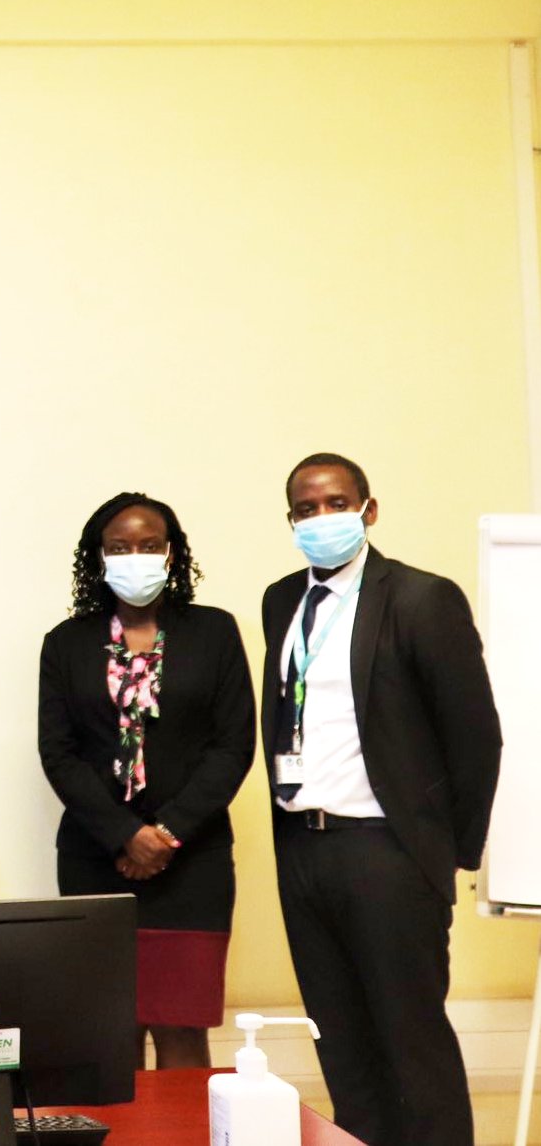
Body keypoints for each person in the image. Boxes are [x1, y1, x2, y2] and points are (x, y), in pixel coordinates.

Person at [261, 453, 500, 1146]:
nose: (320, 518)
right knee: (341, 1044)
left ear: (368, 509)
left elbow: (476, 737)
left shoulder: (421, 598)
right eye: (305, 509)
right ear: (291, 521)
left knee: (411, 1042)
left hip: (388, 854)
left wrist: (442, 854)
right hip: (304, 849)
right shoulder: (282, 599)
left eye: (335, 503)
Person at [37, 492, 255, 1069]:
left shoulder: (214, 633)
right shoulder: (66, 643)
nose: (136, 557)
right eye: (119, 547)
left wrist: (165, 834)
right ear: (98, 558)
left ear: (173, 554)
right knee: (109, 1033)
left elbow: (233, 746)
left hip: (194, 863)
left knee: (183, 1030)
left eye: (150, 545)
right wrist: (125, 835)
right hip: (95, 861)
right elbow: (58, 754)